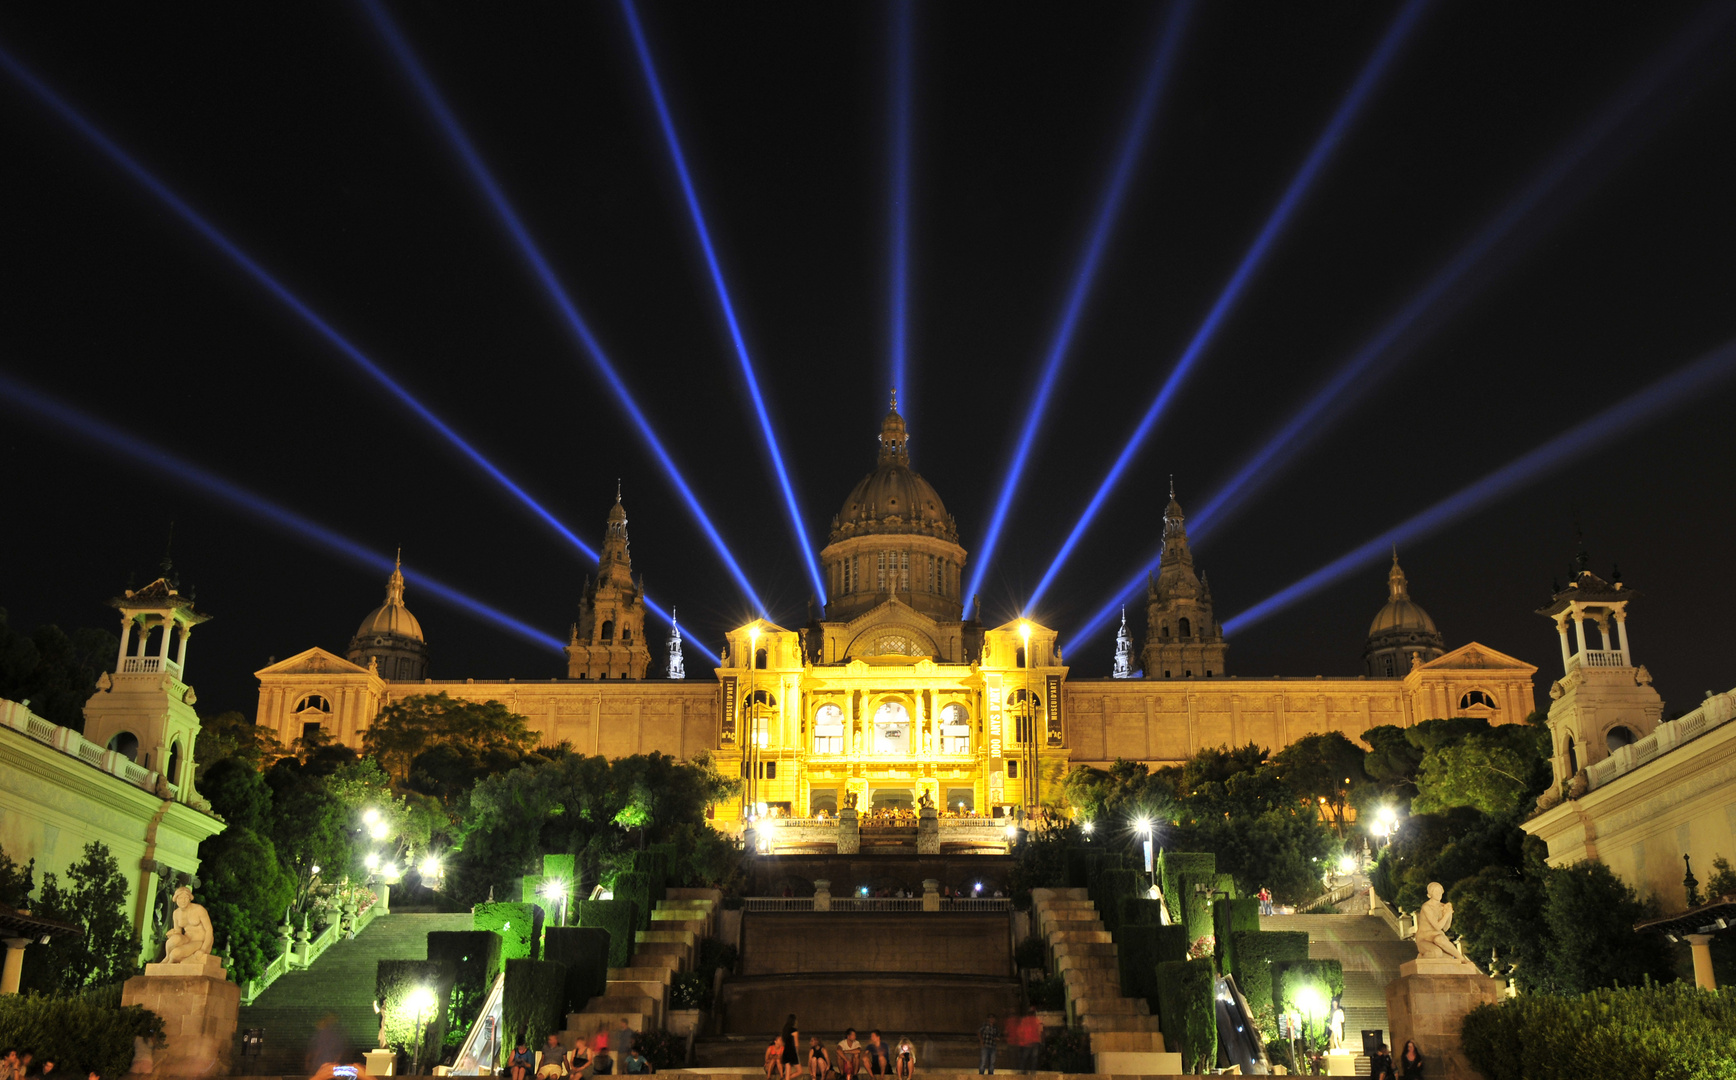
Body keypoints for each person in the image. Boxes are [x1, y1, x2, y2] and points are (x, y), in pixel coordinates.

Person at [781, 1015, 802, 1080]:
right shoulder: (794, 1030)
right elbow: (796, 1043)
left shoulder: (785, 1030)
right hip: (792, 1051)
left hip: (786, 1051)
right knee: (799, 1071)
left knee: (788, 1070)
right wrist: (797, 1052)